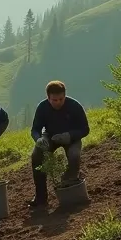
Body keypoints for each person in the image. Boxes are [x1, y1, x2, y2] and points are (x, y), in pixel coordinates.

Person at [27, 80, 91, 209]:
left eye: (61, 99)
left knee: (74, 155)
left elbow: (85, 129)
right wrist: (38, 139)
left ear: (65, 95)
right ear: (48, 98)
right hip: (50, 136)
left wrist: (69, 136)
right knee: (36, 155)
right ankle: (40, 197)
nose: (58, 103)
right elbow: (35, 129)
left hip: (71, 137)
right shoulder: (42, 107)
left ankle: (69, 185)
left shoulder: (74, 106)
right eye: (54, 100)